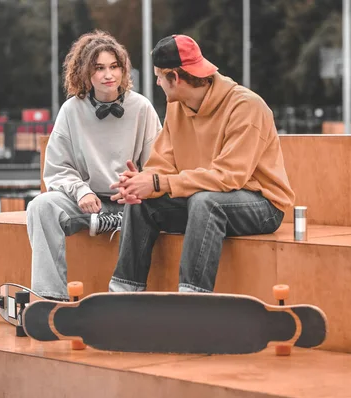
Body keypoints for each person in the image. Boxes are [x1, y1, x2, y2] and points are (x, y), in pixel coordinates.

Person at [108, 34, 295, 293]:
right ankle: (123, 292)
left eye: (160, 76)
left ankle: (193, 298)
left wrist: (159, 181)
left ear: (174, 78)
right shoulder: (177, 105)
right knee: (143, 204)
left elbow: (229, 177)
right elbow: (162, 163)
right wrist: (142, 182)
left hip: (262, 203)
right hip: (203, 199)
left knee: (206, 202)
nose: (157, 82)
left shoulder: (246, 107)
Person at [26, 30, 162, 300]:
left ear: (124, 70)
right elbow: (56, 168)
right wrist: (81, 191)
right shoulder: (71, 110)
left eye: (114, 66)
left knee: (148, 206)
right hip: (87, 202)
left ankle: (127, 294)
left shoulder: (142, 107)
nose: (108, 75)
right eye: (99, 68)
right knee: (40, 206)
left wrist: (138, 186)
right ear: (86, 73)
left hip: (131, 204)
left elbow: (159, 164)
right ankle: (50, 296)